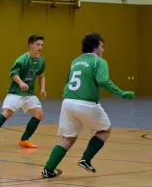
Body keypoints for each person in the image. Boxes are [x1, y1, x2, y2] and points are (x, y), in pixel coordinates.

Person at [42, 32, 134, 179]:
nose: (103, 49)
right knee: (105, 129)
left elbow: (68, 79)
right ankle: (86, 159)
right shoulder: (99, 61)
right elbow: (103, 80)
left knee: (68, 138)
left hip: (67, 102)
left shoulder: (76, 61)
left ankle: (48, 169)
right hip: (85, 103)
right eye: (102, 46)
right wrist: (121, 93)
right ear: (95, 47)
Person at [0, 35, 46, 149]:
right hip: (16, 92)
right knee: (8, 112)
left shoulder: (41, 61)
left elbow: (41, 76)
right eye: (38, 44)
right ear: (31, 45)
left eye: (41, 45)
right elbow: (13, 74)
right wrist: (21, 83)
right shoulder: (23, 59)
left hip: (29, 94)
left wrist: (42, 89)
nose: (40, 47)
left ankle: (24, 139)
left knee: (39, 114)